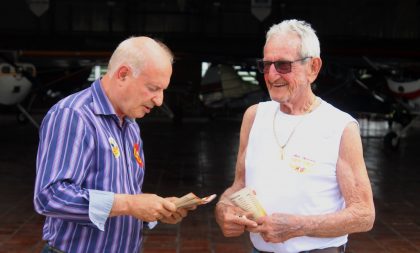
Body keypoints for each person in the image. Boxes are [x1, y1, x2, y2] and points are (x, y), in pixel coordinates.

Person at [214, 19, 375, 253]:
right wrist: (223, 208)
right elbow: (239, 186)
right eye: (266, 64)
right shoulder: (254, 116)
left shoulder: (340, 126)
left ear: (313, 67)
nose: (271, 75)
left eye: (283, 65)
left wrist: (298, 226)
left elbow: (364, 214)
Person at [34, 36, 195, 253]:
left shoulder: (130, 124)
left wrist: (154, 210)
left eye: (163, 90)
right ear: (123, 74)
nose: (159, 100)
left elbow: (123, 196)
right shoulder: (73, 115)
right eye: (153, 88)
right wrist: (131, 204)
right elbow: (49, 197)